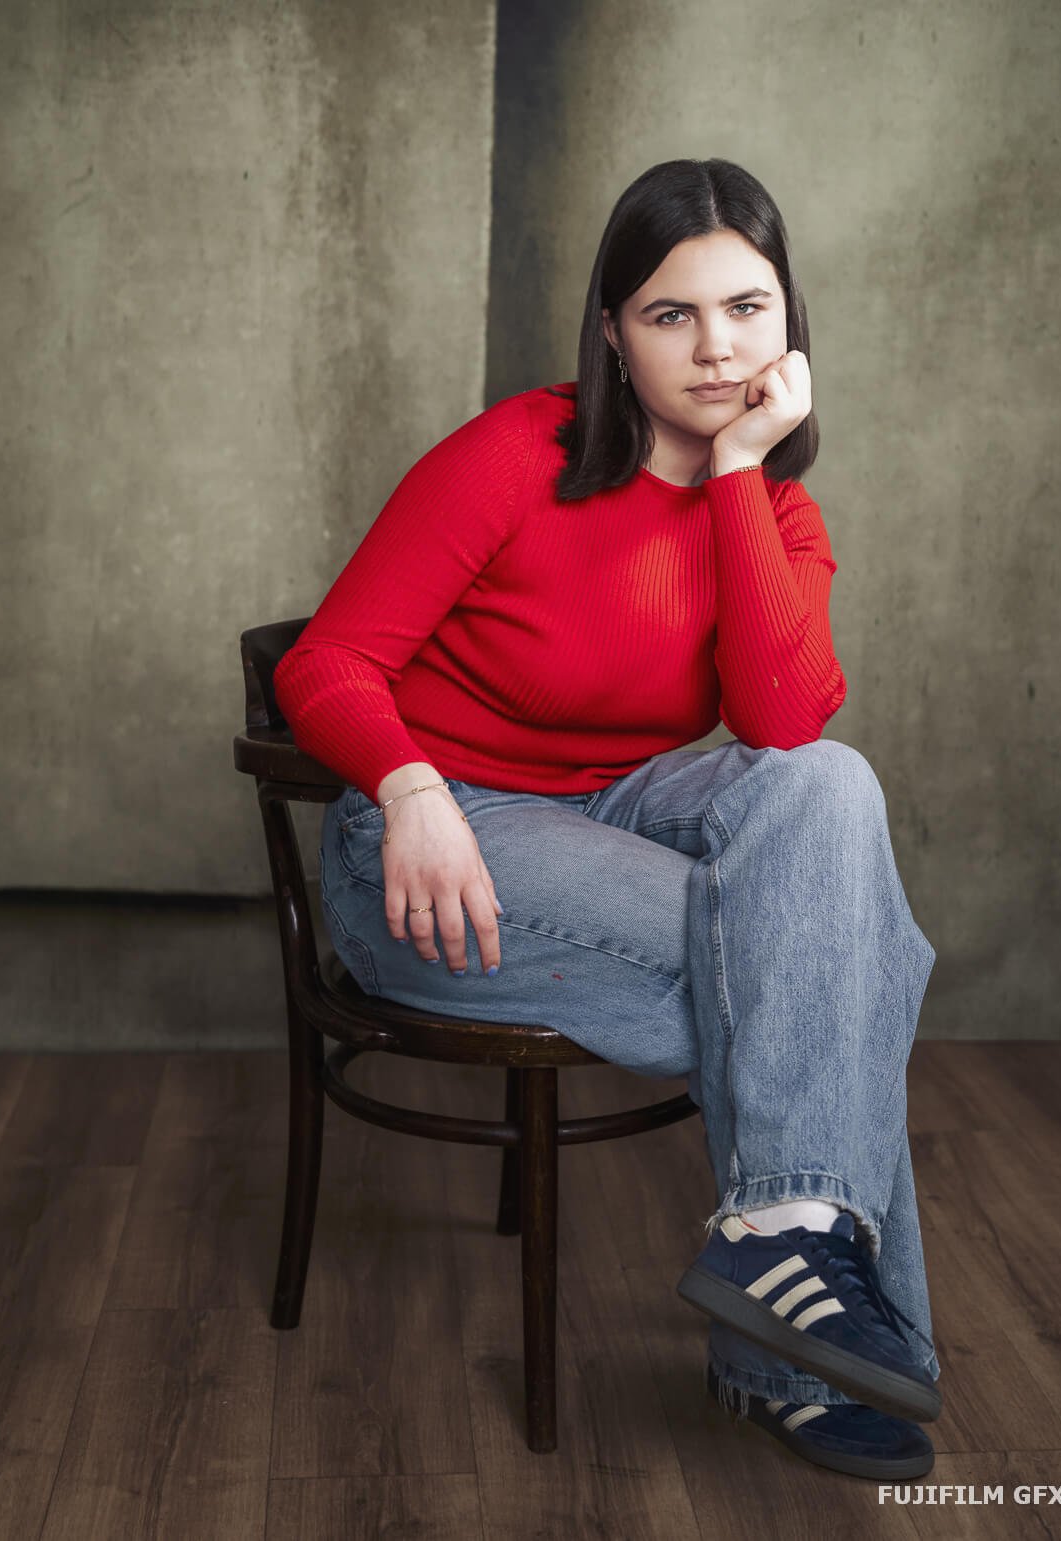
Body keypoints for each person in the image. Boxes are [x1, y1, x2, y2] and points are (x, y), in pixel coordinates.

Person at [273, 158, 942, 1482]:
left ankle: (783, 1242)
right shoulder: (516, 454)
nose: (715, 347)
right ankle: (813, 1358)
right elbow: (326, 664)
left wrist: (740, 472)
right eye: (670, 314)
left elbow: (781, 721)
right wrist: (407, 790)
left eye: (747, 308)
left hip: (608, 807)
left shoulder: (776, 508)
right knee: (821, 971)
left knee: (831, 793)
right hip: (435, 843)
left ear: (788, 322)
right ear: (612, 332)